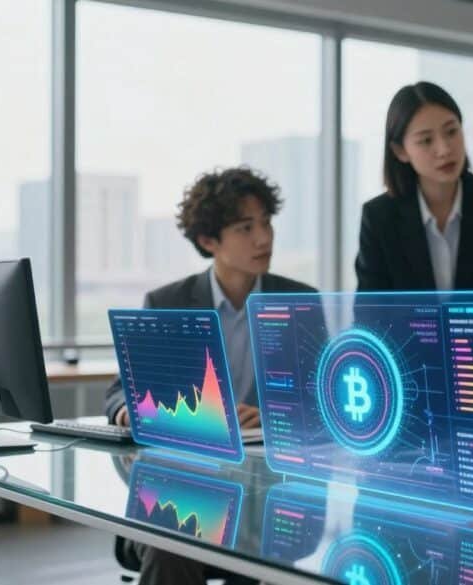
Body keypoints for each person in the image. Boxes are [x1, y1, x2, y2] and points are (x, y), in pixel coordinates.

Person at [105, 165, 315, 585]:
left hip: (272, 488)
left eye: (267, 223)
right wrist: (129, 410)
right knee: (172, 544)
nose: (264, 238)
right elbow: (118, 393)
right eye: (245, 227)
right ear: (208, 240)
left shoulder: (300, 303)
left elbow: (321, 403)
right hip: (184, 483)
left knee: (270, 551)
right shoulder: (168, 303)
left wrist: (274, 417)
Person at [355, 81, 473, 292]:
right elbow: (370, 311)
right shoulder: (379, 216)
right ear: (400, 151)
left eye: (452, 132)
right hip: (405, 328)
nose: (444, 149)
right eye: (426, 140)